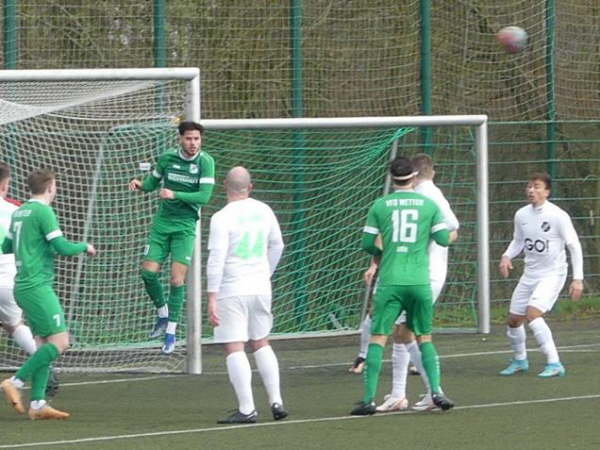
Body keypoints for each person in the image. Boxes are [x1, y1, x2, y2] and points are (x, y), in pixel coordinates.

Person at [350, 156, 454, 416]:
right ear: (413, 177)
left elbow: (366, 244)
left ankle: (368, 400)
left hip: (391, 280)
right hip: (419, 280)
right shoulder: (428, 205)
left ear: (392, 177)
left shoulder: (381, 205)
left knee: (378, 338)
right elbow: (443, 238)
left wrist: (387, 251)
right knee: (424, 338)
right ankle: (437, 392)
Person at [0, 169, 96, 420]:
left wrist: (34, 247)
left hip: (22, 285)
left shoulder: (20, 211)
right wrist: (84, 246)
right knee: (60, 341)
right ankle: (15, 382)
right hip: (36, 286)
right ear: (50, 187)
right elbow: (62, 247)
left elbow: (6, 246)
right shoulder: (43, 211)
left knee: (42, 343)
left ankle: (38, 403)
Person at [207, 166, 287, 424]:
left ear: (224, 187)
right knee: (261, 341)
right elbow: (278, 244)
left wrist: (211, 296)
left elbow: (216, 258)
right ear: (250, 187)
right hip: (260, 286)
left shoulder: (221, 217)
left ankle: (247, 408)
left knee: (234, 345)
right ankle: (276, 401)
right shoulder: (264, 210)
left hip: (232, 287)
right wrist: (266, 273)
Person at [129, 121, 215, 354]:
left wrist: (174, 193)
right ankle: (163, 314)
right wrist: (140, 184)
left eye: (197, 139)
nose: (193, 143)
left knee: (177, 280)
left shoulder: (205, 162)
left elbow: (204, 197)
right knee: (147, 273)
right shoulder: (167, 158)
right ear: (180, 139)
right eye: (188, 138)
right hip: (162, 225)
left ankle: (171, 333)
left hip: (185, 227)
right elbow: (152, 183)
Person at [498, 172, 583, 378]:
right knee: (513, 320)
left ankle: (554, 363)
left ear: (547, 191)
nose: (531, 190)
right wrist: (507, 256)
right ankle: (520, 360)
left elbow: (574, 245)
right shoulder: (521, 215)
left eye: (536, 186)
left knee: (533, 315)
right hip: (530, 274)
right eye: (529, 186)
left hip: (553, 274)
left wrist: (577, 278)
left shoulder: (558, 216)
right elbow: (518, 240)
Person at [0, 163, 60, 398]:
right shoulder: (18, 210)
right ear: (6, 184)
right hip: (9, 276)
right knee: (15, 324)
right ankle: (43, 363)